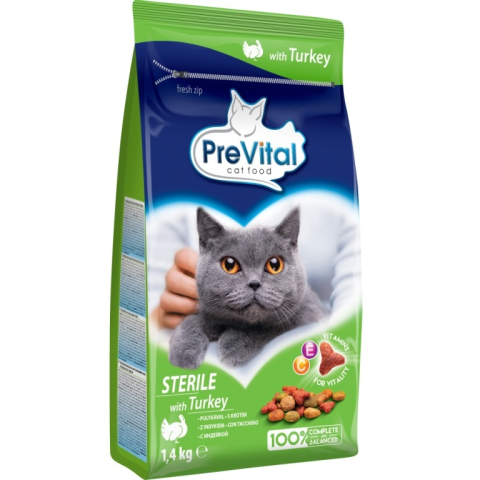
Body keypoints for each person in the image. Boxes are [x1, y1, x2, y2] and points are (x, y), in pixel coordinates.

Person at [147, 191, 361, 330]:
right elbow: (147, 310)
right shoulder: (173, 209)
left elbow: (350, 316)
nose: (254, 281)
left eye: (274, 266)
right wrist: (163, 315)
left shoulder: (337, 204)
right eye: (230, 265)